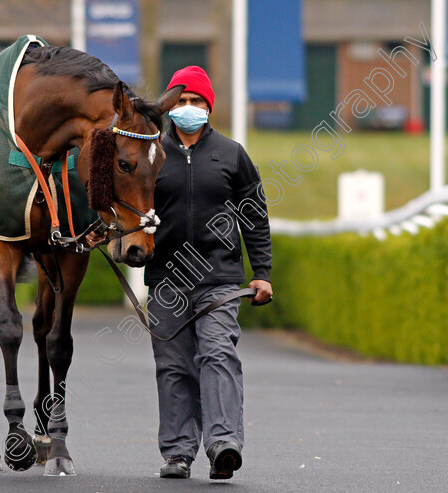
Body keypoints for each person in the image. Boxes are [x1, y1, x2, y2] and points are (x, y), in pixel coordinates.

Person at [115, 66, 273, 480]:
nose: (188, 108)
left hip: (219, 278)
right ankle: (178, 452)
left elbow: (254, 217)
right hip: (167, 280)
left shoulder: (232, 154)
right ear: (169, 106)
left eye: (196, 102)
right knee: (174, 367)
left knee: (218, 354)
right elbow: (127, 205)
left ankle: (224, 443)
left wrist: (263, 272)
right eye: (181, 101)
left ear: (209, 106)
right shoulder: (152, 153)